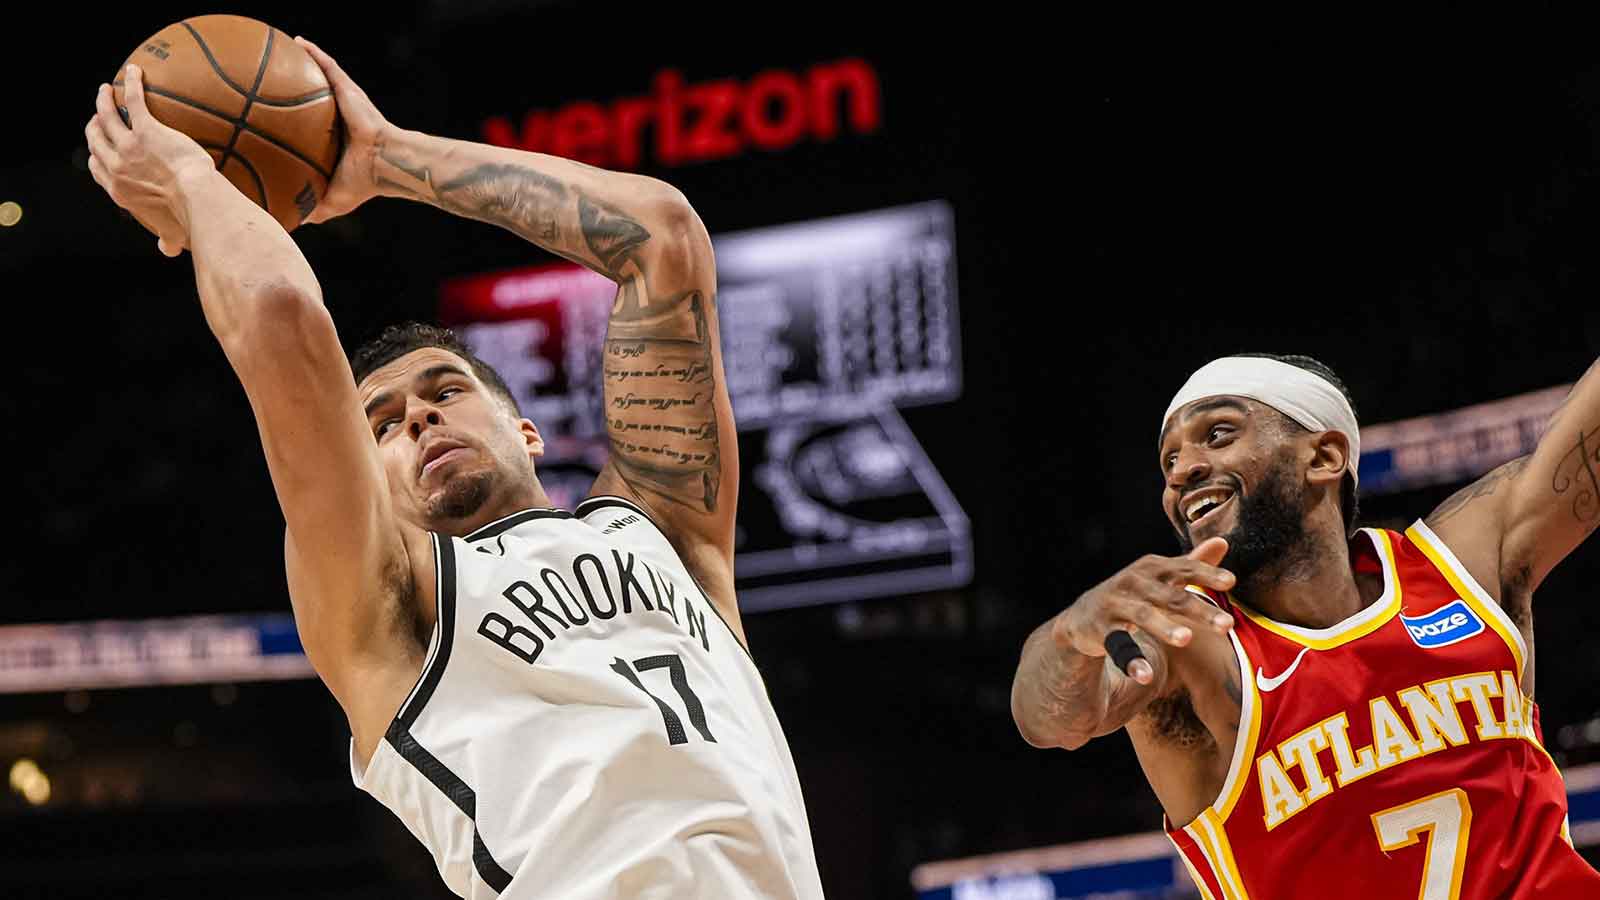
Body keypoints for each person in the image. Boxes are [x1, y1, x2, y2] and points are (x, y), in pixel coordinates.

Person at [83, 39, 824, 900]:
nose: (420, 417)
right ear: (372, 481)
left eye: (445, 390)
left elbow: (660, 238)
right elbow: (282, 313)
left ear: (528, 430)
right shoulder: (390, 602)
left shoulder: (667, 535)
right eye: (383, 426)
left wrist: (386, 157)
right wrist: (189, 178)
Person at [1010, 353, 1600, 898]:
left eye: (1217, 435)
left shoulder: (1462, 568)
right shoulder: (1191, 646)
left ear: (1323, 457)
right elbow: (1054, 719)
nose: (1183, 471)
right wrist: (1068, 636)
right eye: (1169, 460)